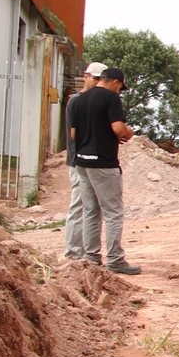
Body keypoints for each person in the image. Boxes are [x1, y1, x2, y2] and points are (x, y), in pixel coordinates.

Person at [66, 66, 139, 275]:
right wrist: (128, 132)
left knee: (90, 211)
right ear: (115, 82)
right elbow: (117, 128)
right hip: (104, 162)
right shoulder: (111, 99)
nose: (119, 92)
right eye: (120, 88)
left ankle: (91, 257)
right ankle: (115, 259)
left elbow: (73, 135)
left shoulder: (79, 100)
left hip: (82, 162)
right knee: (113, 212)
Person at [61, 61, 106, 263]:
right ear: (86, 77)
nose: (97, 83)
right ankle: (73, 253)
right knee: (79, 205)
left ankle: (86, 253)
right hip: (79, 161)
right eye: (95, 79)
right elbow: (74, 135)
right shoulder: (76, 101)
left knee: (92, 207)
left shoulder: (93, 101)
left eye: (100, 80)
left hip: (92, 163)